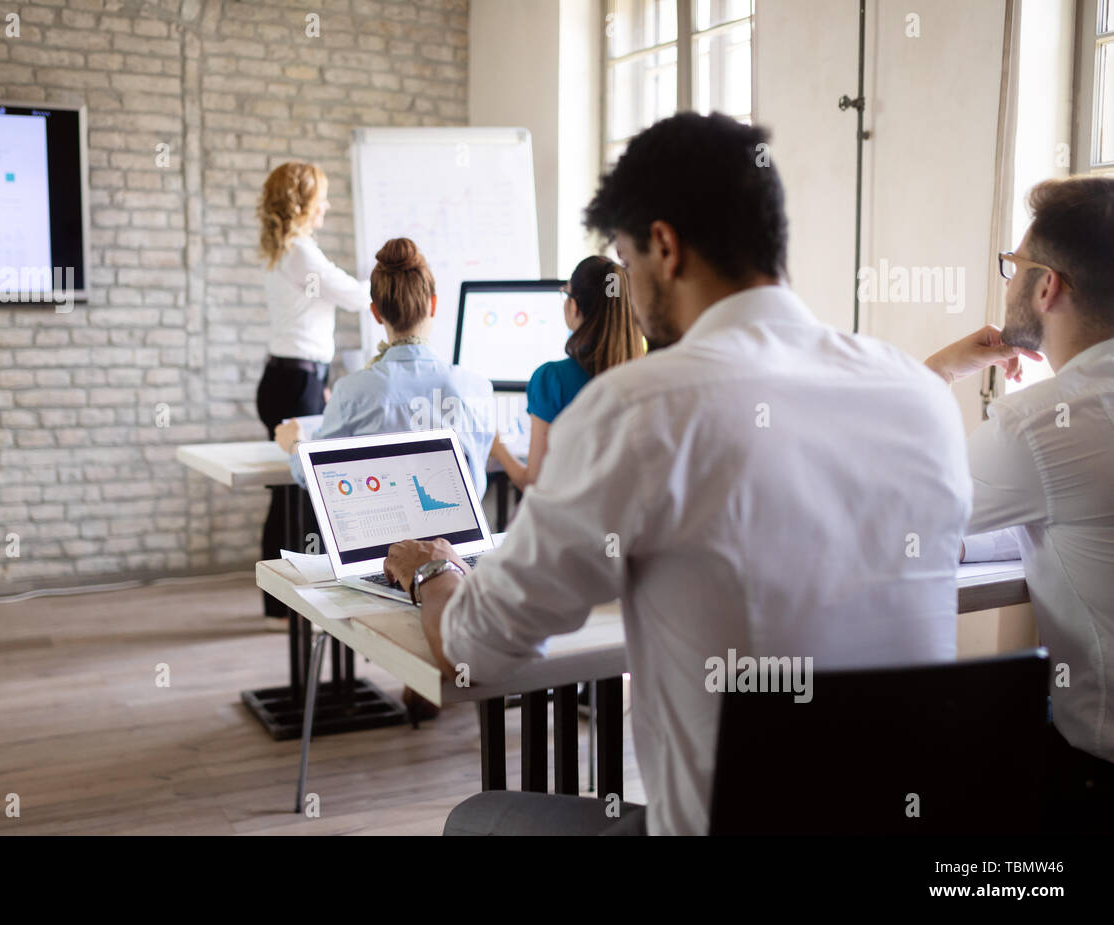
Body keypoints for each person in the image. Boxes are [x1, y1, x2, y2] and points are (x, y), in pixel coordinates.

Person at [379, 112, 973, 836]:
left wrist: (432, 570)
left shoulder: (641, 409)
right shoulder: (919, 396)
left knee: (476, 816)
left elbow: (475, 648)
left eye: (625, 263)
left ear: (664, 246)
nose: (625, 285)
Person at [923, 175, 1114, 832]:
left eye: (1013, 264)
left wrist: (938, 372)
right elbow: (1078, 520)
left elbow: (895, 516)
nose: (1006, 280)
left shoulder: (1038, 424)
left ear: (1046, 285)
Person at [274, 237, 495, 497]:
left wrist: (295, 445)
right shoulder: (478, 389)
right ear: (433, 304)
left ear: (376, 313)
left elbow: (316, 475)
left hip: (383, 538)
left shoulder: (351, 392)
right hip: (457, 538)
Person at [256, 162, 369, 623]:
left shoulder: (291, 250)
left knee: (288, 492)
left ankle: (280, 607)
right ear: (302, 203)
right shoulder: (302, 253)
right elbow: (357, 297)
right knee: (299, 495)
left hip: (293, 379)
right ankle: (292, 606)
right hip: (295, 382)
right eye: (322, 196)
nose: (328, 204)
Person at [491, 256, 644, 489]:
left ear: (574, 306)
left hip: (574, 521)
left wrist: (497, 447)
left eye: (566, 293)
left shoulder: (552, 379)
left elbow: (534, 482)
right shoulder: (646, 375)